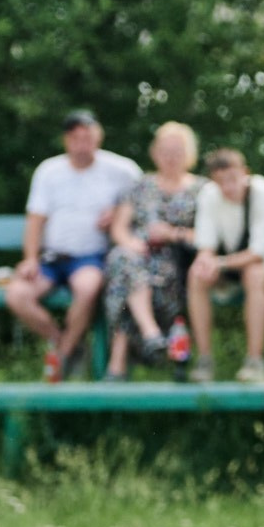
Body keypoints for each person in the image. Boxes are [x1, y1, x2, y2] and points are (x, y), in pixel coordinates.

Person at [4, 111, 141, 382]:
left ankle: (61, 360)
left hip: (91, 257)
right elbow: (35, 221)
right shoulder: (49, 171)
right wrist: (30, 258)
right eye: (75, 138)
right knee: (16, 295)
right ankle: (69, 345)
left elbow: (144, 203)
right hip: (51, 257)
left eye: (87, 136)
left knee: (88, 288)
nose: (82, 144)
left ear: (98, 136)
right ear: (66, 140)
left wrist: (118, 212)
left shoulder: (122, 170)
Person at [100, 121, 205, 380]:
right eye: (165, 150)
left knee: (127, 276)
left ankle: (118, 364)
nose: (171, 157)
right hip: (139, 257)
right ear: (155, 152)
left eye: (177, 151)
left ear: (189, 154)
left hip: (179, 263)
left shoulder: (202, 189)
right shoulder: (140, 186)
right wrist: (130, 242)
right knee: (123, 258)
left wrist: (173, 233)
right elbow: (119, 229)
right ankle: (151, 335)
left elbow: (210, 237)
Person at [188, 147, 264, 383]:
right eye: (220, 182)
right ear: (212, 181)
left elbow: (259, 253)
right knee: (196, 275)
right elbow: (205, 244)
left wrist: (218, 262)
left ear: (244, 173)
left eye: (232, 179)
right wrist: (205, 261)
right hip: (229, 265)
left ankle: (255, 361)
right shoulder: (208, 195)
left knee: (254, 274)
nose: (228, 188)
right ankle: (205, 359)